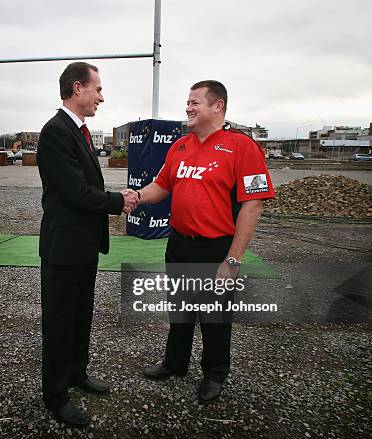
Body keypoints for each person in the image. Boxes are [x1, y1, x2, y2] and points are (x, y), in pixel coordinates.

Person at [129, 80, 275, 403]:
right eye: (188, 102)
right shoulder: (181, 146)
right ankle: (175, 363)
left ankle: (214, 373)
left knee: (215, 316)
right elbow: (161, 186)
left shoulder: (242, 147)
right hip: (179, 244)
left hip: (216, 249)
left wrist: (233, 259)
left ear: (217, 106)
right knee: (179, 310)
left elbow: (253, 205)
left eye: (195, 102)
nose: (188, 108)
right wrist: (136, 197)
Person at [37, 62, 137, 426]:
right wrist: (118, 201)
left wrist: (112, 197)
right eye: (97, 89)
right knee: (60, 322)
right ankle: (55, 395)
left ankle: (77, 373)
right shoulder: (55, 132)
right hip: (63, 249)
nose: (101, 96)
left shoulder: (78, 130)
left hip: (83, 246)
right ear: (77, 88)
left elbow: (86, 184)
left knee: (81, 316)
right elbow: (75, 191)